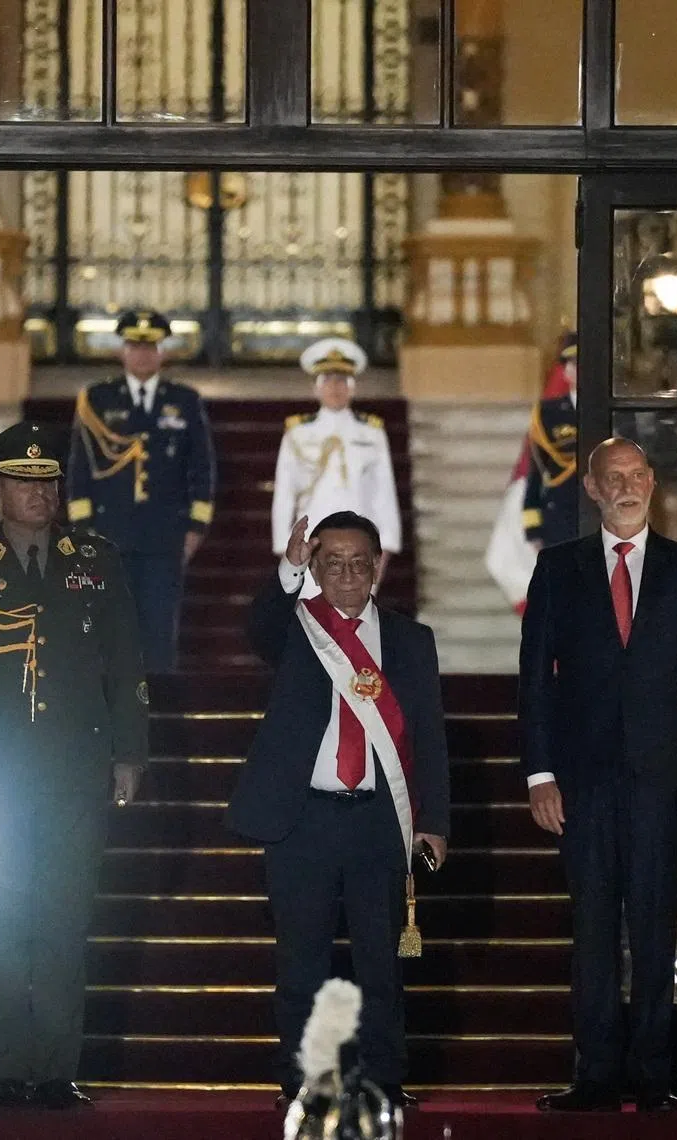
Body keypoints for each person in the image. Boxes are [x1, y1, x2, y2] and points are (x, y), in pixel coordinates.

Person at [0, 421, 149, 1109]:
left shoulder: (96, 561)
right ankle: (7, 1071)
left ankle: (54, 1070)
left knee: (61, 921)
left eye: (48, 481)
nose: (39, 493)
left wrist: (130, 753)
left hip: (74, 773)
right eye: (23, 481)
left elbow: (127, 664)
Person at [519, 437, 677, 1112]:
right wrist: (539, 775)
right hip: (580, 784)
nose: (626, 485)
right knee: (592, 930)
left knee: (652, 927)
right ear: (590, 488)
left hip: (662, 781)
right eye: (612, 476)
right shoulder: (558, 569)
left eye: (637, 474)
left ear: (652, 482)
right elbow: (534, 682)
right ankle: (595, 1077)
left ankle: (652, 1078)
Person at [227, 510, 449, 1106]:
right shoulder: (296, 628)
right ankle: (302, 1081)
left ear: (378, 565)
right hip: (303, 820)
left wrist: (433, 823)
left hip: (380, 820)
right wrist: (289, 569)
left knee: (381, 965)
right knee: (302, 965)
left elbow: (427, 736)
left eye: (358, 562)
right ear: (316, 568)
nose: (347, 574)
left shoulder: (410, 639)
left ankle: (383, 1078)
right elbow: (257, 626)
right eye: (332, 563)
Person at [66, 308, 216, 672]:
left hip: (165, 538)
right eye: (135, 346)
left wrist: (195, 529)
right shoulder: (97, 400)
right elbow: (79, 470)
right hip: (109, 536)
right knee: (111, 632)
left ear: (162, 351)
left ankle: (159, 719)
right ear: (122, 350)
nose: (143, 354)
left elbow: (202, 468)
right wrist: (85, 532)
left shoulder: (184, 401)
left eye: (150, 347)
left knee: (159, 633)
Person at [270, 338, 401, 591]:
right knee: (311, 621)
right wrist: (284, 548)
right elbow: (285, 494)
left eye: (342, 380)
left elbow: (384, 494)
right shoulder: (297, 433)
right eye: (328, 380)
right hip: (312, 544)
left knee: (355, 623)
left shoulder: (371, 433)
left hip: (362, 542)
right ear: (316, 388)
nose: (335, 387)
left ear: (353, 387)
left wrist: (386, 548)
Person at [522, 331, 579, 549]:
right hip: (559, 518)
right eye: (572, 363)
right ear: (565, 371)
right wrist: (533, 528)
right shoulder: (548, 413)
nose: (578, 369)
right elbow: (536, 472)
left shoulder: (610, 410)